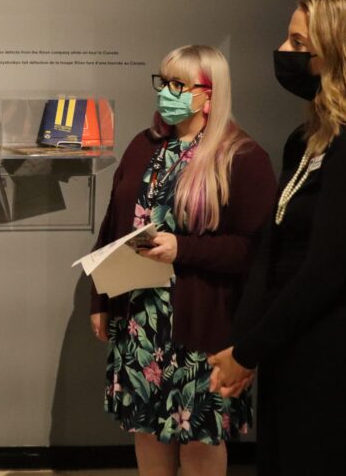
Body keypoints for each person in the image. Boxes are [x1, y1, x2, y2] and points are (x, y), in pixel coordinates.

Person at [209, 0, 346, 475]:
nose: (284, 53)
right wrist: (246, 342)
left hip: (332, 358)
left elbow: (325, 270)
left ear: (344, 50)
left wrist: (250, 350)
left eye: (299, 44)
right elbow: (275, 247)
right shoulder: (308, 137)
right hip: (291, 345)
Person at [90, 45, 276, 476]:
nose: (167, 93)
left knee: (199, 436)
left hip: (200, 325)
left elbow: (253, 249)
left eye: (179, 85)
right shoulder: (145, 145)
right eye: (164, 82)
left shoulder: (241, 156)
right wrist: (100, 299)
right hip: (140, 320)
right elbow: (112, 225)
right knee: (148, 430)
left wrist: (183, 249)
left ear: (209, 95)